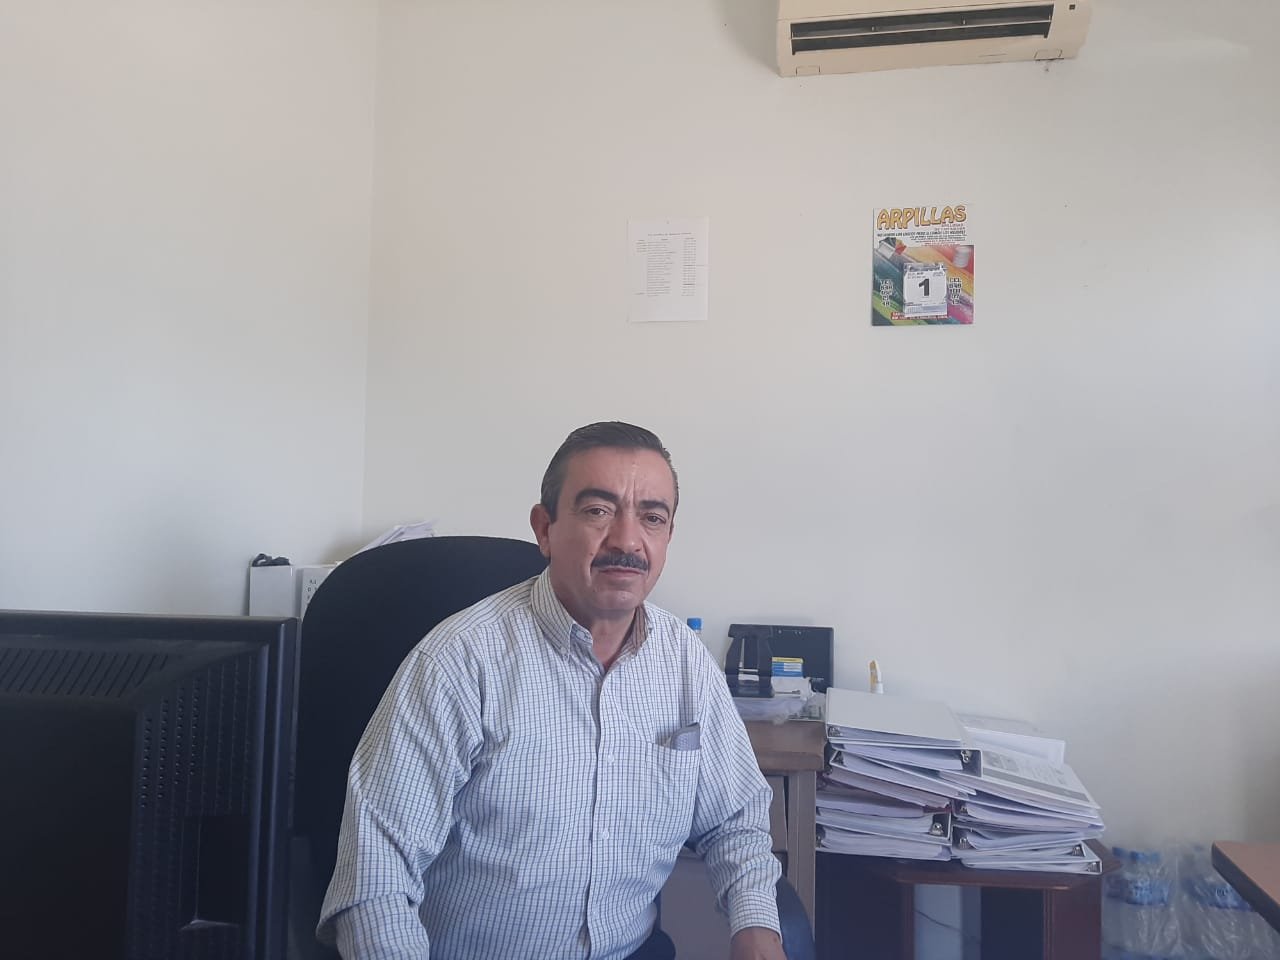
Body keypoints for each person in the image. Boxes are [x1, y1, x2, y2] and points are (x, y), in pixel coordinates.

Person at [318, 421, 785, 960]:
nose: (627, 540)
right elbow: (376, 880)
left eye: (652, 518)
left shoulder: (685, 662)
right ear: (544, 529)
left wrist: (758, 931)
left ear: (667, 537)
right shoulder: (459, 662)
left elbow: (736, 824)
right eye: (598, 511)